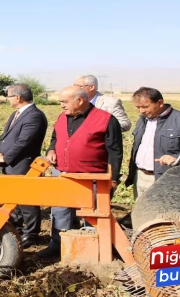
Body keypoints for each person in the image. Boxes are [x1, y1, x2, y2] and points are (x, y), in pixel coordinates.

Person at [38, 86, 123, 259]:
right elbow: (55, 138)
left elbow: (115, 151)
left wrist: (113, 179)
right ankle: (57, 244)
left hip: (92, 176)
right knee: (60, 211)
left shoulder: (106, 120)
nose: (61, 105)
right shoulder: (62, 117)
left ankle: (92, 249)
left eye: (64, 101)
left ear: (80, 100)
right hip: (62, 173)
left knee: (91, 214)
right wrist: (51, 150)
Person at [0, 84, 48, 248]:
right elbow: (5, 138)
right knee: (12, 199)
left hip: (23, 165)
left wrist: (5, 158)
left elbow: (23, 142)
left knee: (27, 201)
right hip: (11, 164)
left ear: (18, 98)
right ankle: (16, 228)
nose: (7, 99)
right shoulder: (16, 114)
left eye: (9, 96)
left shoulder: (34, 116)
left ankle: (31, 234)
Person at [126, 87, 180, 199]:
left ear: (160, 103)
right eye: (138, 107)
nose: (141, 111)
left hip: (167, 179)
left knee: (162, 215)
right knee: (140, 213)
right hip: (140, 177)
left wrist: (177, 158)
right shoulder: (143, 120)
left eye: (145, 107)